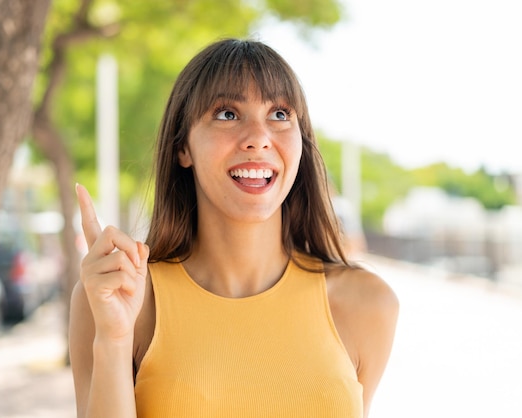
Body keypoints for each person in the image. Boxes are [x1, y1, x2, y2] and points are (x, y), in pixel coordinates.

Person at [69, 38, 399, 418]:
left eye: (279, 114)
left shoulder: (368, 305)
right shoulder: (123, 299)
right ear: (183, 148)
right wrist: (113, 338)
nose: (259, 139)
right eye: (227, 114)